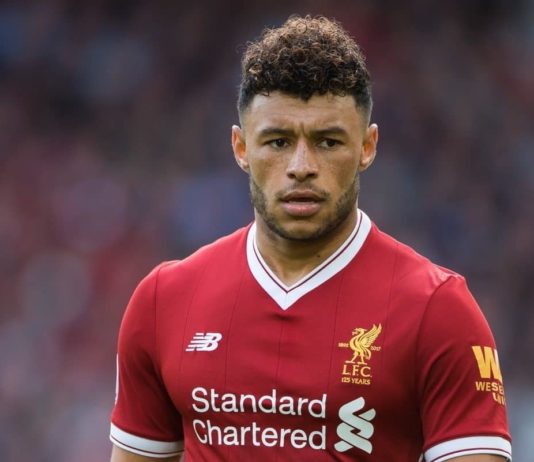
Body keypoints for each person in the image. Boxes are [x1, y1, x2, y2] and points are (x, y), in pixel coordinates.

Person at [109, 15, 511, 462]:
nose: (301, 166)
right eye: (278, 142)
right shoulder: (164, 300)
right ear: (241, 148)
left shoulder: (437, 309)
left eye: (328, 142)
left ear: (367, 147)